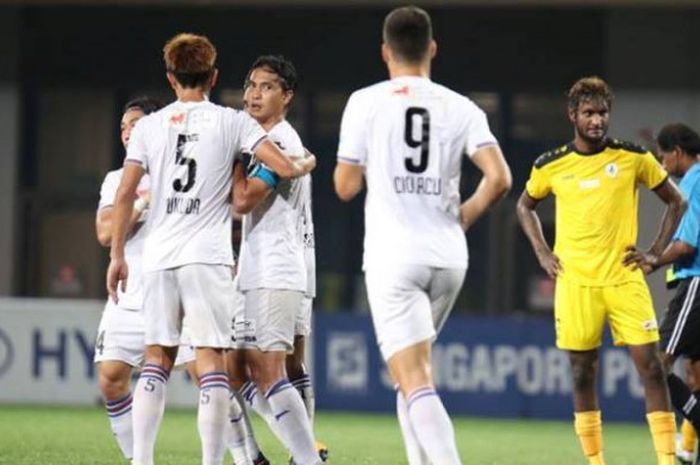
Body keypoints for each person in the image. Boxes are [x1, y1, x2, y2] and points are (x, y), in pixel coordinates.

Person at [106, 33, 315, 465]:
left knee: (156, 359)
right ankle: (218, 461)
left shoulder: (149, 125)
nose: (254, 95)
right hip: (209, 256)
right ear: (214, 76)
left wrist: (118, 256)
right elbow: (279, 167)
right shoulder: (231, 122)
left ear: (170, 77)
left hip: (161, 256)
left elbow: (126, 192)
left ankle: (142, 459)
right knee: (214, 363)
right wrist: (301, 163)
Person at [333, 7, 511, 465]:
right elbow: (499, 178)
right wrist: (465, 215)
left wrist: (377, 165)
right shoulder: (461, 106)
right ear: (431, 49)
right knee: (411, 374)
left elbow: (346, 186)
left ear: (384, 52)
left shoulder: (366, 101)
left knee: (415, 379)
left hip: (396, 256)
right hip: (449, 256)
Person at [516, 77, 686, 465]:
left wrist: (655, 253)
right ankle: (596, 462)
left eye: (603, 113)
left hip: (624, 279)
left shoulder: (632, 157)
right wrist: (543, 253)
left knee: (653, 369)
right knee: (581, 373)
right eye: (589, 113)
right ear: (572, 115)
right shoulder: (551, 164)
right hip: (576, 283)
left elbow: (675, 202)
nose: (597, 120)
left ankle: (666, 460)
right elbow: (524, 206)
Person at [229, 55, 323, 465]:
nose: (254, 94)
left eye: (266, 87)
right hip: (261, 268)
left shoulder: (281, 143)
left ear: (286, 96)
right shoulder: (265, 141)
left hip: (274, 268)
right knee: (230, 371)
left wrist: (230, 158)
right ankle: (259, 457)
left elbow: (244, 199)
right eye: (251, 85)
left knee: (269, 372)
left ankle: (306, 457)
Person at [94, 96, 197, 462]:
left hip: (177, 289)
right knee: (110, 377)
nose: (126, 133)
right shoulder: (117, 179)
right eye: (122, 127)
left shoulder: (181, 170)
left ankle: (246, 454)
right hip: (129, 290)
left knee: (209, 376)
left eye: (134, 124)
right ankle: (139, 459)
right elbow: (105, 233)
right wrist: (140, 203)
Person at [626, 123, 700, 465]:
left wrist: (653, 259)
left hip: (697, 283)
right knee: (695, 375)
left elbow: (686, 243)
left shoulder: (694, 180)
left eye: (663, 157)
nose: (662, 164)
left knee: (657, 363)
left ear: (679, 152)